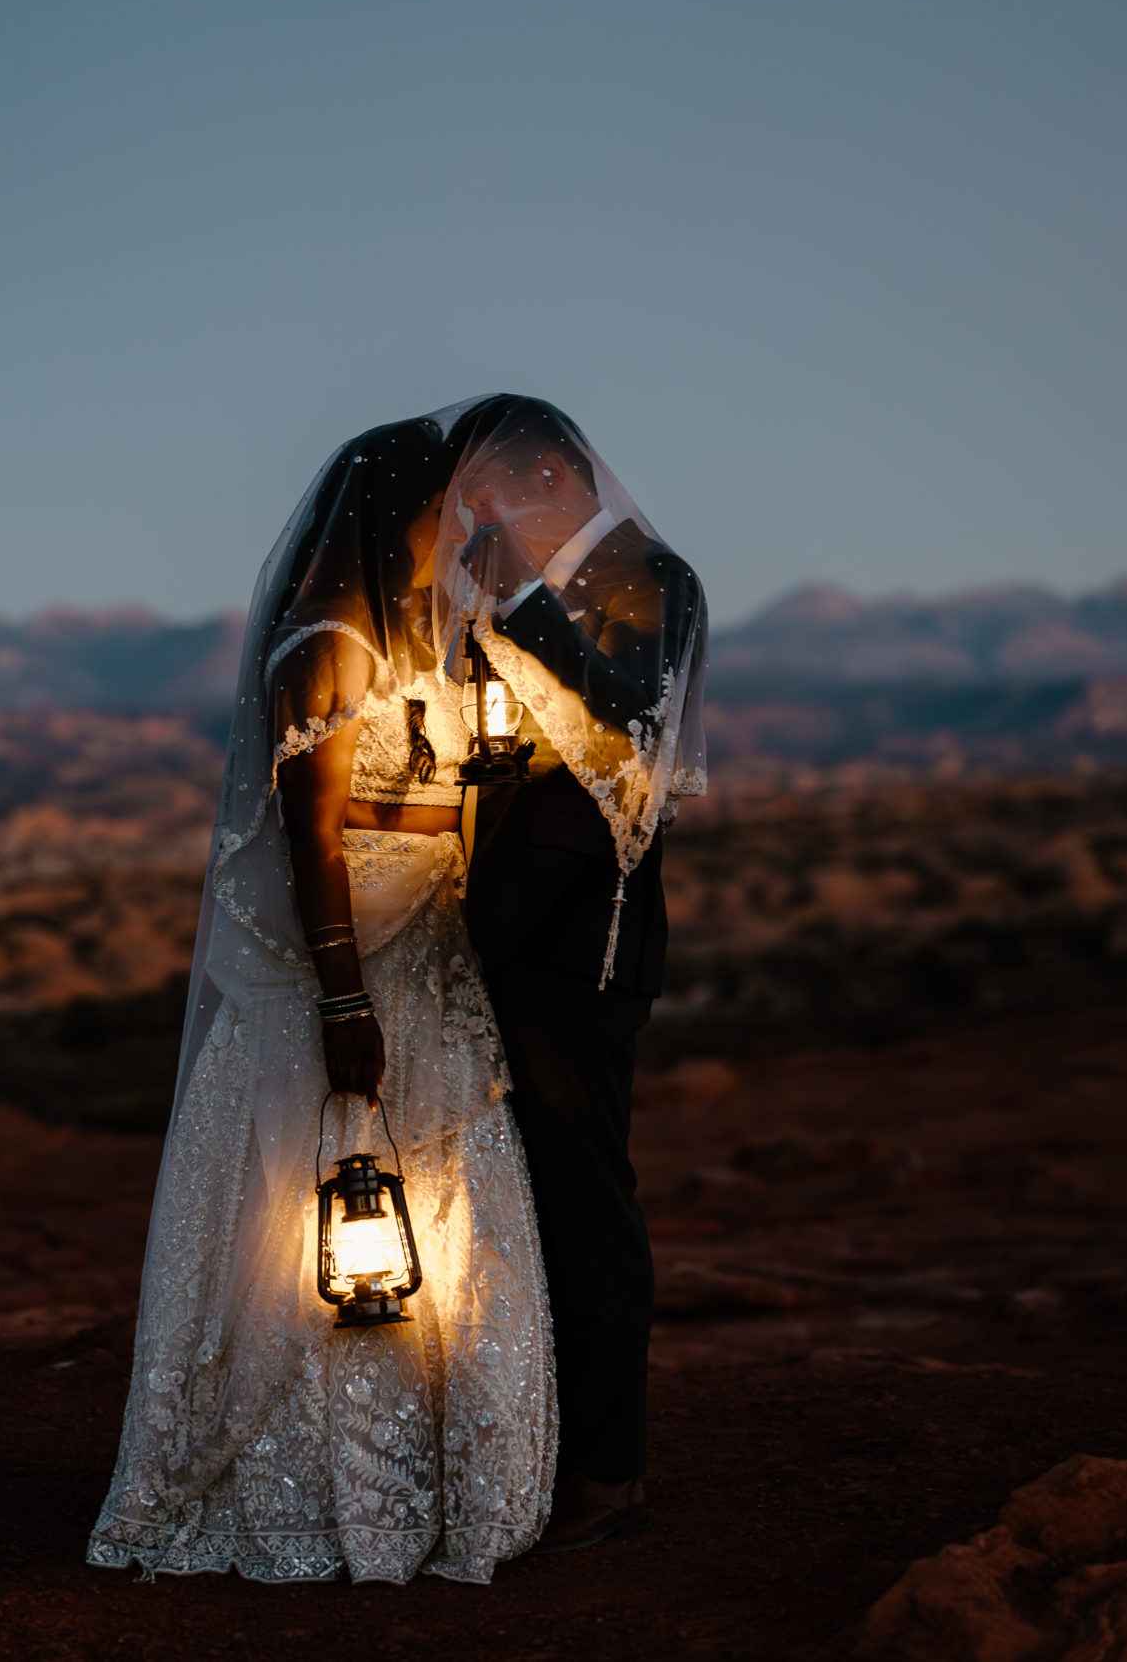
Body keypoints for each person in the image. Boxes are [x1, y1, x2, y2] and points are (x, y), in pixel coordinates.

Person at [86, 405, 557, 1584]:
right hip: (352, 974)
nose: (474, 521)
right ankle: (319, 1490)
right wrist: (344, 1005)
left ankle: (454, 1478)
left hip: (437, 964)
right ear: (406, 507)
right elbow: (312, 847)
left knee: (452, 1224)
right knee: (331, 1222)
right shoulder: (328, 646)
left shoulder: (436, 646)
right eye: (456, 503)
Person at [442, 396, 709, 1554]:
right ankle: (537, 1452)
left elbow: (628, 722)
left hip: (581, 943)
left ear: (553, 468)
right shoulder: (554, 584)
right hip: (512, 925)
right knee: (528, 1208)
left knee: (584, 1203)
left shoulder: (653, 576)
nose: (484, 515)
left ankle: (610, 1474)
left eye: (495, 490)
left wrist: (517, 599)